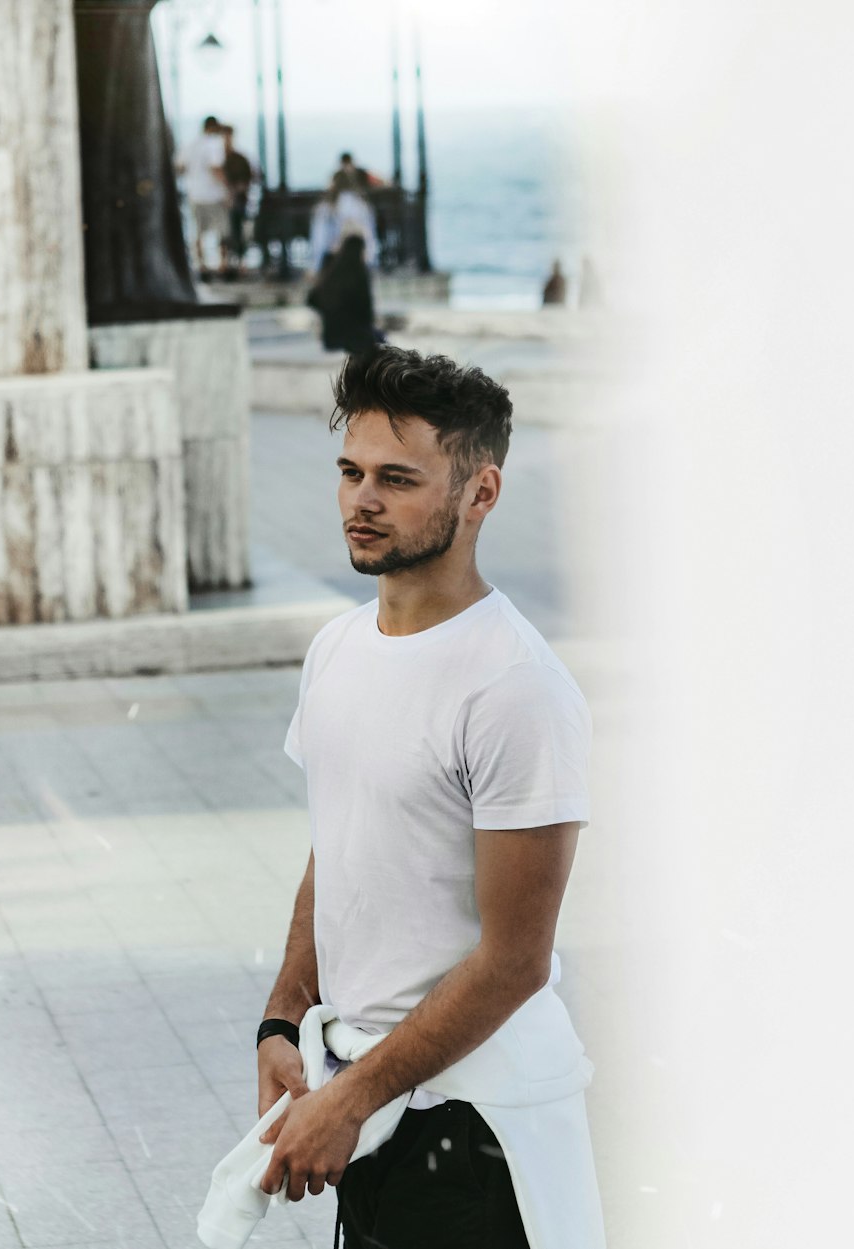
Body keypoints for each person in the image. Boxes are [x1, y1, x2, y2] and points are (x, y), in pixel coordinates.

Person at [242, 347, 606, 1248]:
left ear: (480, 493)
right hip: (373, 1099)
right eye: (351, 472)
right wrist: (282, 1017)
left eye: (397, 479)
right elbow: (342, 842)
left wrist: (350, 1099)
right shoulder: (337, 647)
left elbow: (518, 959)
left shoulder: (515, 686)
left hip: (478, 1127)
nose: (362, 499)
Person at [306, 234, 380, 353]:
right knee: (383, 344)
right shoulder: (360, 274)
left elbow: (312, 300)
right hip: (355, 338)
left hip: (331, 337)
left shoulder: (332, 272)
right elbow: (366, 310)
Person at [175, 116, 228, 278]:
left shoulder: (190, 145)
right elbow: (216, 169)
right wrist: (227, 189)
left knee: (198, 233)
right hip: (213, 195)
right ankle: (222, 266)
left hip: (194, 194)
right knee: (223, 232)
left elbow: (179, 167)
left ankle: (202, 266)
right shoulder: (214, 143)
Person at [222, 126, 253, 275]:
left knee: (237, 231)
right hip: (223, 201)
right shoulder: (218, 158)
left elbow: (249, 177)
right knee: (225, 233)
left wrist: (237, 190)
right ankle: (226, 263)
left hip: (238, 201)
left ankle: (239, 262)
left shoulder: (239, 158)